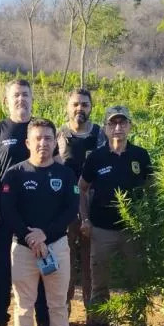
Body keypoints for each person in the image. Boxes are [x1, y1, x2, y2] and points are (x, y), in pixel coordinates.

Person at [0, 118, 80, 326]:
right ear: (27, 142)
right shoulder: (14, 174)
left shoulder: (65, 174)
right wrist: (29, 236)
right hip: (23, 248)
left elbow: (71, 210)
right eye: (37, 138)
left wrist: (45, 234)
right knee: (23, 302)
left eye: (48, 138)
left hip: (56, 246)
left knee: (57, 301)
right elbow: (8, 210)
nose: (42, 143)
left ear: (55, 142)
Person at [0, 79, 49, 326]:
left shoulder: (41, 129)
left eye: (25, 95)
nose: (21, 99)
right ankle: (0, 324)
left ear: (32, 99)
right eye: (16, 95)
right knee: (4, 268)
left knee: (42, 265)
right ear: (7, 100)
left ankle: (44, 325)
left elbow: (54, 165)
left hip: (38, 212)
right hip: (5, 211)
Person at [78, 106, 153, 326]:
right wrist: (85, 219)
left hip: (133, 230)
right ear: (106, 127)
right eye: (113, 123)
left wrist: (149, 222)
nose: (118, 128)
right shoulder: (96, 157)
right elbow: (82, 188)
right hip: (102, 230)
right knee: (99, 282)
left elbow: (152, 190)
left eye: (123, 123)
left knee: (136, 281)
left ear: (130, 126)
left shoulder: (141, 156)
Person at [57, 88, 106, 313]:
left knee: (91, 263)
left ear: (91, 107)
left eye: (85, 104)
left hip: (94, 207)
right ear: (67, 107)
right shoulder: (59, 135)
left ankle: (92, 314)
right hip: (65, 207)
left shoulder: (101, 135)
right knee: (64, 260)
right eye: (75, 104)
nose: (80, 108)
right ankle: (63, 313)